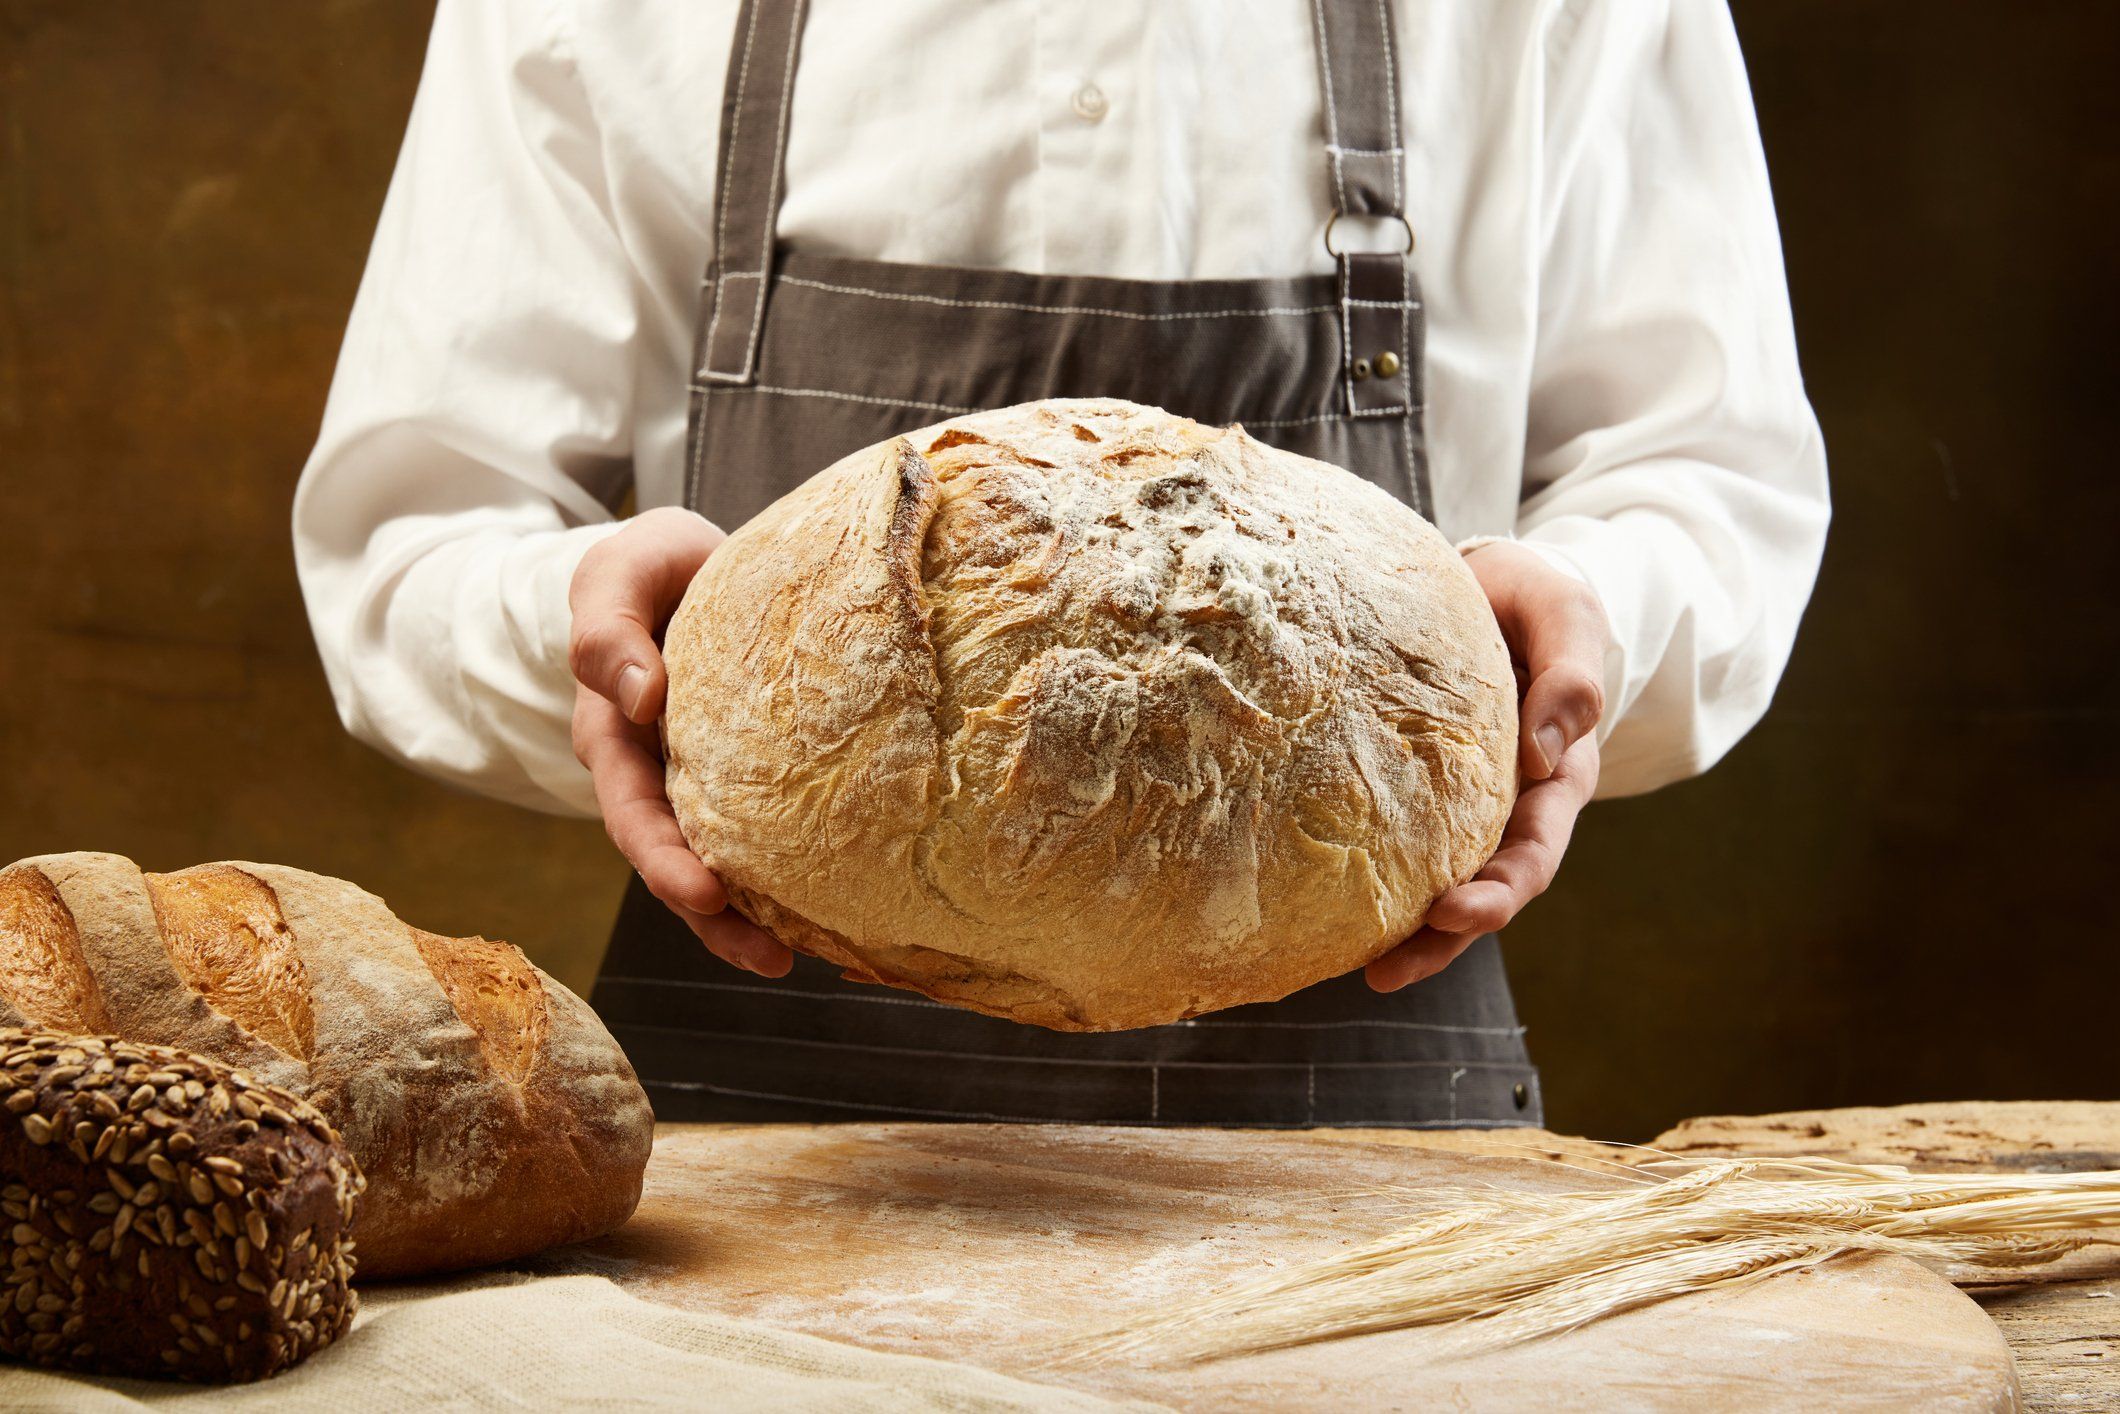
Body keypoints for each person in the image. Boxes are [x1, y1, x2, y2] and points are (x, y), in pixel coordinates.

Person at [294, 0, 1828, 1128]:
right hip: (759, 1153)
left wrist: (1587, 630)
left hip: (1366, 1161)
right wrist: (590, 642)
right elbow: (415, 533)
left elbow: (1709, 480)